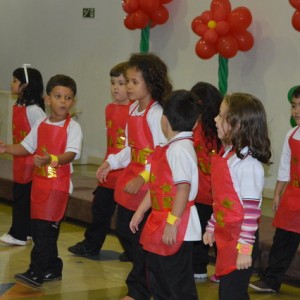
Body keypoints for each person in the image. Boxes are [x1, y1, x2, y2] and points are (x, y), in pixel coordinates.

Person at [97, 52, 172, 300]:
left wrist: (144, 177)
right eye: (126, 81)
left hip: (148, 184)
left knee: (140, 239)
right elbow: (130, 148)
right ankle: (144, 281)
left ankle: (139, 290)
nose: (128, 86)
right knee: (125, 231)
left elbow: (162, 155)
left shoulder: (156, 113)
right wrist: (110, 162)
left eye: (133, 82)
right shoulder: (133, 109)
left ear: (150, 83)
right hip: (131, 177)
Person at [0, 74, 82, 288]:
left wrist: (51, 159)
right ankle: (53, 267)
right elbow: (26, 147)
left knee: (45, 231)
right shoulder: (41, 124)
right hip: (40, 184)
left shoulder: (73, 128)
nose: (63, 101)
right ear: (47, 99)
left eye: (68, 97)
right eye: (58, 96)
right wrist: (7, 148)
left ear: (73, 101)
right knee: (39, 230)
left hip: (58, 186)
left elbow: (71, 154)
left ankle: (36, 271)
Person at [130, 89, 201, 300]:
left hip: (176, 222)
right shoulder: (169, 148)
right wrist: (141, 211)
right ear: (195, 123)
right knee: (159, 277)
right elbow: (158, 186)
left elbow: (183, 189)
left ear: (164, 119)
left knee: (175, 283)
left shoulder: (180, 150)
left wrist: (173, 222)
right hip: (161, 218)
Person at [203, 93, 272, 300]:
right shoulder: (228, 155)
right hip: (226, 238)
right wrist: (212, 225)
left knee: (231, 294)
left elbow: (251, 213)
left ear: (238, 125)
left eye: (221, 115)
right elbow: (224, 202)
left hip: (241, 240)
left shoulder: (248, 165)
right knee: (231, 292)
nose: (215, 119)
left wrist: (244, 249)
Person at [68, 62, 132, 260]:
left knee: (126, 215)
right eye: (113, 83)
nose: (115, 87)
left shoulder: (135, 111)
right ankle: (92, 244)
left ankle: (133, 251)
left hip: (126, 171)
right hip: (108, 170)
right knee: (100, 209)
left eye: (121, 83)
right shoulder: (109, 108)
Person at [249, 86, 300, 293]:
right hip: (293, 195)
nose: (296, 111)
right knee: (283, 239)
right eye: (294, 106)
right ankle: (271, 281)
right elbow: (285, 167)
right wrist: (278, 192)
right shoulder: (292, 134)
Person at [0, 66, 46, 246]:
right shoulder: (20, 105)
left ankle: (18, 234)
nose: (11, 84)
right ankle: (25, 232)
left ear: (25, 84)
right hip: (20, 158)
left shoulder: (34, 109)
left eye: (15, 81)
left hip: (30, 161)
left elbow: (42, 134)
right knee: (22, 198)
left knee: (22, 199)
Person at [191, 82, 222, 282]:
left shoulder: (221, 129)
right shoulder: (195, 126)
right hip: (200, 193)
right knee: (198, 232)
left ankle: (223, 269)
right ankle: (198, 267)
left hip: (218, 196)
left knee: (220, 235)